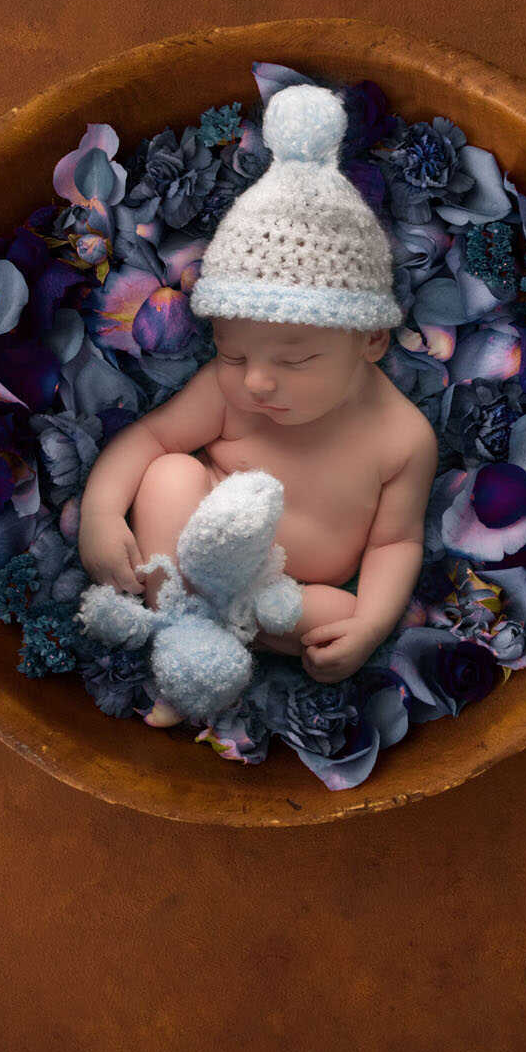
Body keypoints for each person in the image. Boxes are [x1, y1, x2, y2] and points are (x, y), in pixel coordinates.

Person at [76, 85, 439, 724]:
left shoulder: (402, 438)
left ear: (371, 341)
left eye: (294, 361)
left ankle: (211, 651)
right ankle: (181, 632)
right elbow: (149, 439)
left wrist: (371, 628)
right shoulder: (226, 389)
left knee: (345, 617)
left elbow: (396, 543)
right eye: (235, 354)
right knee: (170, 474)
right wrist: (100, 515)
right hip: (186, 557)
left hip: (282, 597)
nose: (257, 384)